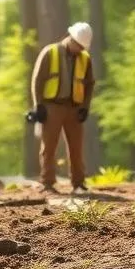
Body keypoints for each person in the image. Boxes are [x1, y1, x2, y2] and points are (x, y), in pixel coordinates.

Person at [30, 22, 95, 194]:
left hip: (74, 108)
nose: (79, 49)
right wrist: (39, 106)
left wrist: (85, 107)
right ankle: (47, 182)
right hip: (52, 106)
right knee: (49, 146)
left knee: (76, 147)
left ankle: (78, 182)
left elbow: (89, 84)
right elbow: (38, 80)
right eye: (78, 45)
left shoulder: (84, 58)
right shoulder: (49, 52)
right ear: (70, 37)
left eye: (82, 46)